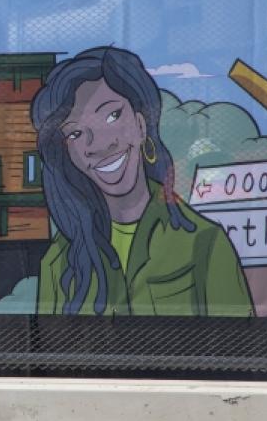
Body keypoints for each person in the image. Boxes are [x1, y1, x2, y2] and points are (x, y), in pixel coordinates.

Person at [30, 45, 253, 316]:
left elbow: (238, 351)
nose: (98, 144)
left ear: (141, 123)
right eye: (75, 133)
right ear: (68, 154)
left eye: (112, 116)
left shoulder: (204, 243)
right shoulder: (59, 261)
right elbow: (49, 355)